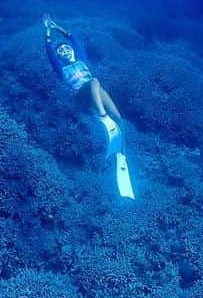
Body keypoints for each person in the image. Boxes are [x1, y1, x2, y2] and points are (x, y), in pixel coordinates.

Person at [43, 15, 135, 199]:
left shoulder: (81, 58)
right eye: (61, 51)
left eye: (66, 49)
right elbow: (49, 51)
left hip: (96, 91)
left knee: (118, 117)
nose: (64, 51)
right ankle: (101, 114)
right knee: (94, 81)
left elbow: (73, 38)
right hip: (81, 96)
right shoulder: (60, 68)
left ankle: (122, 155)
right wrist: (47, 30)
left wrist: (58, 27)